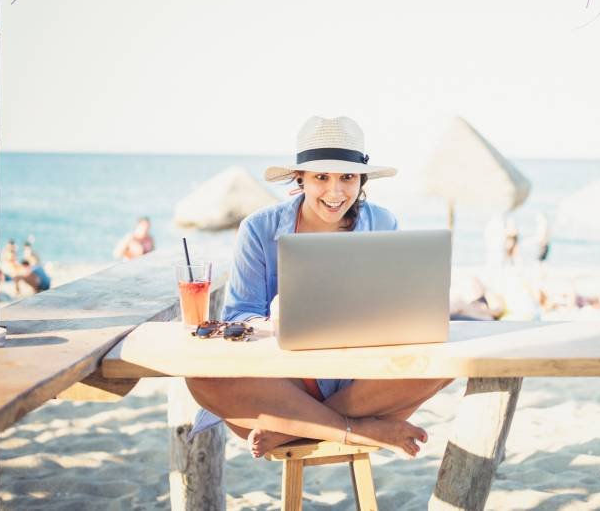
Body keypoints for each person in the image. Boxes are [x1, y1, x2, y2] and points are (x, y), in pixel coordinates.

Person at [186, 116, 451, 460]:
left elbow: (397, 303)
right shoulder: (258, 228)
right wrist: (273, 319)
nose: (335, 191)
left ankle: (297, 428)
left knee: (447, 364)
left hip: (360, 379)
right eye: (321, 177)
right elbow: (239, 315)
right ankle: (358, 429)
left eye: (347, 177)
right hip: (287, 383)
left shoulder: (384, 222)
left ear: (361, 179)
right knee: (200, 377)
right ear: (301, 178)